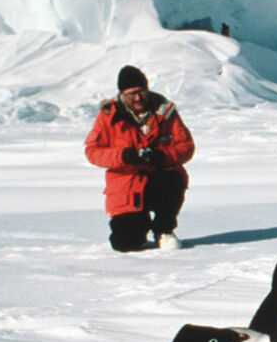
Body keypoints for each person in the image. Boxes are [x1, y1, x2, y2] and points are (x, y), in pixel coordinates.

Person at [83, 65, 194, 252]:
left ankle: (164, 229)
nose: (137, 98)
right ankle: (139, 223)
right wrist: (123, 156)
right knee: (124, 243)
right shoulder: (108, 116)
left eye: (141, 92)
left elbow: (186, 147)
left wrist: (162, 156)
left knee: (174, 178)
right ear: (122, 94)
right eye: (131, 93)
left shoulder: (165, 112)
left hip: (160, 178)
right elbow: (92, 151)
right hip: (126, 185)